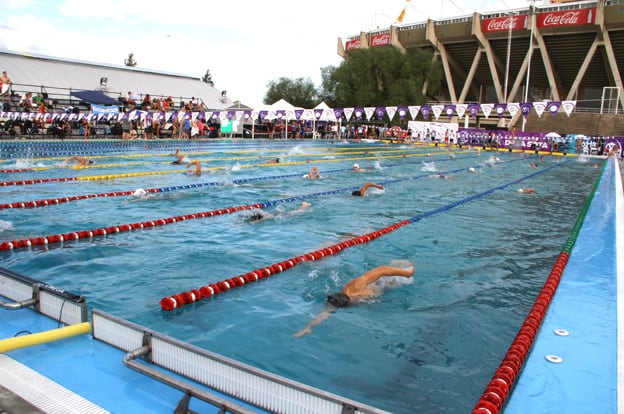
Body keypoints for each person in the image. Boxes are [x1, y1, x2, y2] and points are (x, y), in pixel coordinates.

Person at [294, 263, 414, 338]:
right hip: (380, 292)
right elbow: (324, 315)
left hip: (388, 282)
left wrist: (407, 273)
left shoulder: (356, 287)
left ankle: (406, 268)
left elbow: (382, 269)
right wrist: (308, 327)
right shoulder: (342, 299)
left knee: (402, 264)